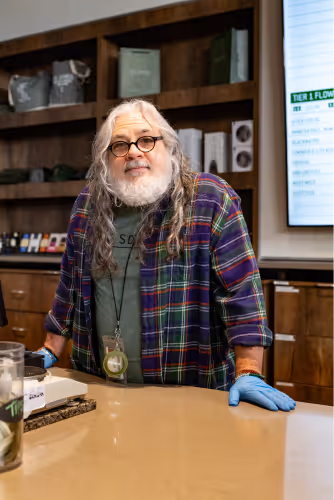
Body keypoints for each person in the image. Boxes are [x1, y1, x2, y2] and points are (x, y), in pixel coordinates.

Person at [36, 99, 295, 412]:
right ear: (106, 160)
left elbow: (242, 297)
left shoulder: (210, 200)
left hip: (189, 398)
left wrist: (248, 370)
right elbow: (69, 289)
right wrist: (48, 351)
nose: (133, 152)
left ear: (169, 148)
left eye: (146, 140)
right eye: (119, 145)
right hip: (100, 393)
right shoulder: (88, 206)